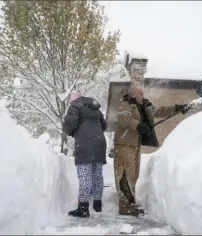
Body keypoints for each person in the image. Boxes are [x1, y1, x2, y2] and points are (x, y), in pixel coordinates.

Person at [113, 87, 190, 216]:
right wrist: (138, 125)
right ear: (133, 94)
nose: (143, 94)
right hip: (124, 143)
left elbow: (159, 110)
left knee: (133, 174)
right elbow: (123, 119)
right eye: (140, 93)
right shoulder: (126, 104)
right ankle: (125, 206)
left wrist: (177, 108)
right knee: (124, 173)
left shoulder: (144, 105)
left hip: (135, 143)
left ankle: (131, 203)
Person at [62, 91, 107, 218]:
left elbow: (70, 123)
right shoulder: (95, 108)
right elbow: (104, 125)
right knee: (97, 174)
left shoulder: (75, 106)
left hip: (85, 143)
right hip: (99, 143)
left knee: (85, 175)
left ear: (73, 100)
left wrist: (69, 130)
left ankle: (83, 208)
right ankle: (97, 204)